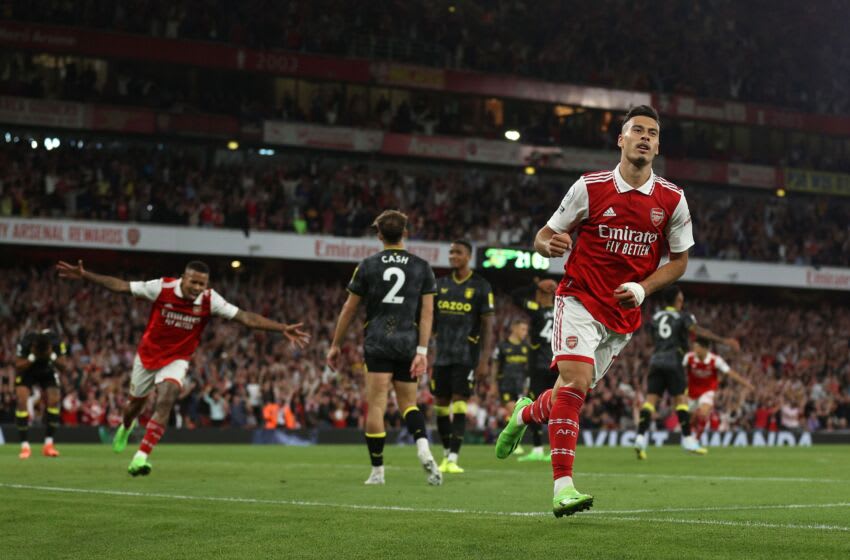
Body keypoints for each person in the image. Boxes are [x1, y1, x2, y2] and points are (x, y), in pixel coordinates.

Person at [495, 105, 694, 517]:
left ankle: (524, 414)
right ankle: (563, 487)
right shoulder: (589, 187)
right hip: (579, 298)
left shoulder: (672, 199)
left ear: (658, 146)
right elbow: (544, 235)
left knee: (572, 390)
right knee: (575, 381)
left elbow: (679, 262)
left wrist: (643, 287)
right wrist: (547, 245)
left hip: (622, 315)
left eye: (652, 133)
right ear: (621, 139)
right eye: (637, 130)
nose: (645, 137)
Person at [56, 259, 309, 476]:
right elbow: (122, 287)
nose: (197, 288)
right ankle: (126, 426)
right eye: (193, 282)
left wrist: (281, 328)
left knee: (167, 397)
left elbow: (245, 317)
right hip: (147, 356)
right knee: (134, 406)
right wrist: (86, 275)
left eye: (202, 284)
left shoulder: (210, 299)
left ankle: (141, 456)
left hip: (177, 358)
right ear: (183, 278)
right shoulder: (162, 287)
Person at [326, 210, 442, 486]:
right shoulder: (422, 266)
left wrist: (336, 344)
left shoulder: (367, 265)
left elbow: (349, 308)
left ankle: (377, 472)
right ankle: (423, 448)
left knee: (377, 404)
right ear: (405, 232)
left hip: (378, 340)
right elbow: (427, 313)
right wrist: (422, 351)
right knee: (409, 405)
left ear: (379, 234)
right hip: (407, 342)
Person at [634, 285, 740, 459]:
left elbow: (653, 337)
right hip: (674, 360)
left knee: (650, 401)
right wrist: (723, 340)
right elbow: (697, 331)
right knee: (681, 401)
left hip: (656, 360)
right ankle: (688, 439)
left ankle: (639, 437)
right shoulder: (684, 316)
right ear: (678, 299)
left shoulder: (656, 317)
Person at [432, 240, 495, 474]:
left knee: (459, 403)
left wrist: (484, 360)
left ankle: (453, 457)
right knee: (440, 406)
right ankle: (445, 454)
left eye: (457, 252)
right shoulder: (440, 285)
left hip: (466, 356)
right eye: (451, 252)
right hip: (442, 355)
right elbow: (430, 318)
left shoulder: (481, 286)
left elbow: (488, 326)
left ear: (468, 256)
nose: (453, 256)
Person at [510, 278, 557, 462]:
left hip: (538, 365)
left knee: (535, 405)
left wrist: (533, 285)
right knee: (556, 407)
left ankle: (537, 448)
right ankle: (556, 450)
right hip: (556, 364)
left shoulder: (536, 310)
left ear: (543, 294)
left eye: (539, 292)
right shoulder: (561, 311)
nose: (536, 295)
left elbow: (515, 296)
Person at [13, 329, 69, 459]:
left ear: (49, 346)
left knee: (54, 400)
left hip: (47, 370)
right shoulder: (26, 341)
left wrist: (51, 356)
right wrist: (32, 357)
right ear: (33, 347)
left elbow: (63, 366)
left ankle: (48, 444)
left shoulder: (56, 341)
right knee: (21, 401)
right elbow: (18, 365)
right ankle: (25, 446)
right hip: (28, 370)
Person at [685, 337, 754, 438]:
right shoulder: (689, 357)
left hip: (707, 390)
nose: (694, 349)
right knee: (691, 417)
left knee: (703, 413)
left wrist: (746, 384)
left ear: (705, 348)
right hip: (693, 390)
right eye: (694, 347)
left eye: (697, 347)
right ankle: (691, 432)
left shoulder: (715, 360)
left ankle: (697, 436)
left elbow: (730, 373)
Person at [491, 318, 530, 451]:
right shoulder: (502, 346)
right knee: (513, 411)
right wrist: (493, 384)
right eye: (523, 329)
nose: (525, 332)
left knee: (516, 414)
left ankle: (510, 441)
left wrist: (527, 385)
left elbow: (528, 369)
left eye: (526, 330)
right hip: (505, 384)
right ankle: (512, 442)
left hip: (520, 385)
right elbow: (495, 365)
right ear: (514, 328)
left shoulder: (526, 347)